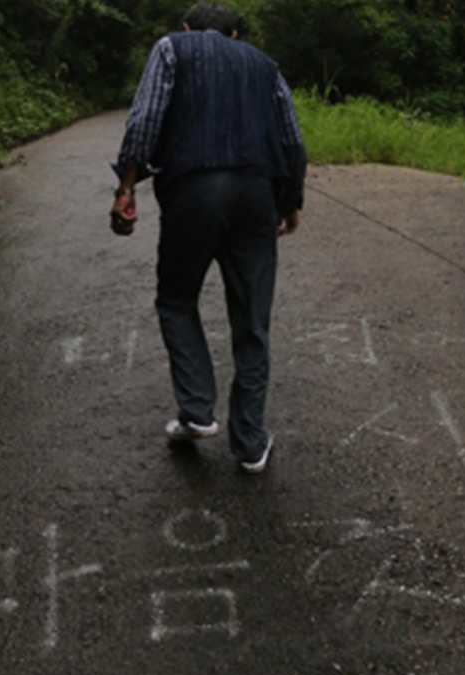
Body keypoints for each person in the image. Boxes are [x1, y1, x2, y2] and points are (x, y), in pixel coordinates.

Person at [110, 1, 306, 474]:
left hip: (194, 188)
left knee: (177, 299)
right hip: (257, 193)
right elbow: (291, 138)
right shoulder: (264, 64)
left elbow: (147, 118)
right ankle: (251, 442)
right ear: (236, 35)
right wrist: (291, 199)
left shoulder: (171, 48)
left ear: (186, 27)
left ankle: (197, 411)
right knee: (252, 316)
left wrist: (126, 186)